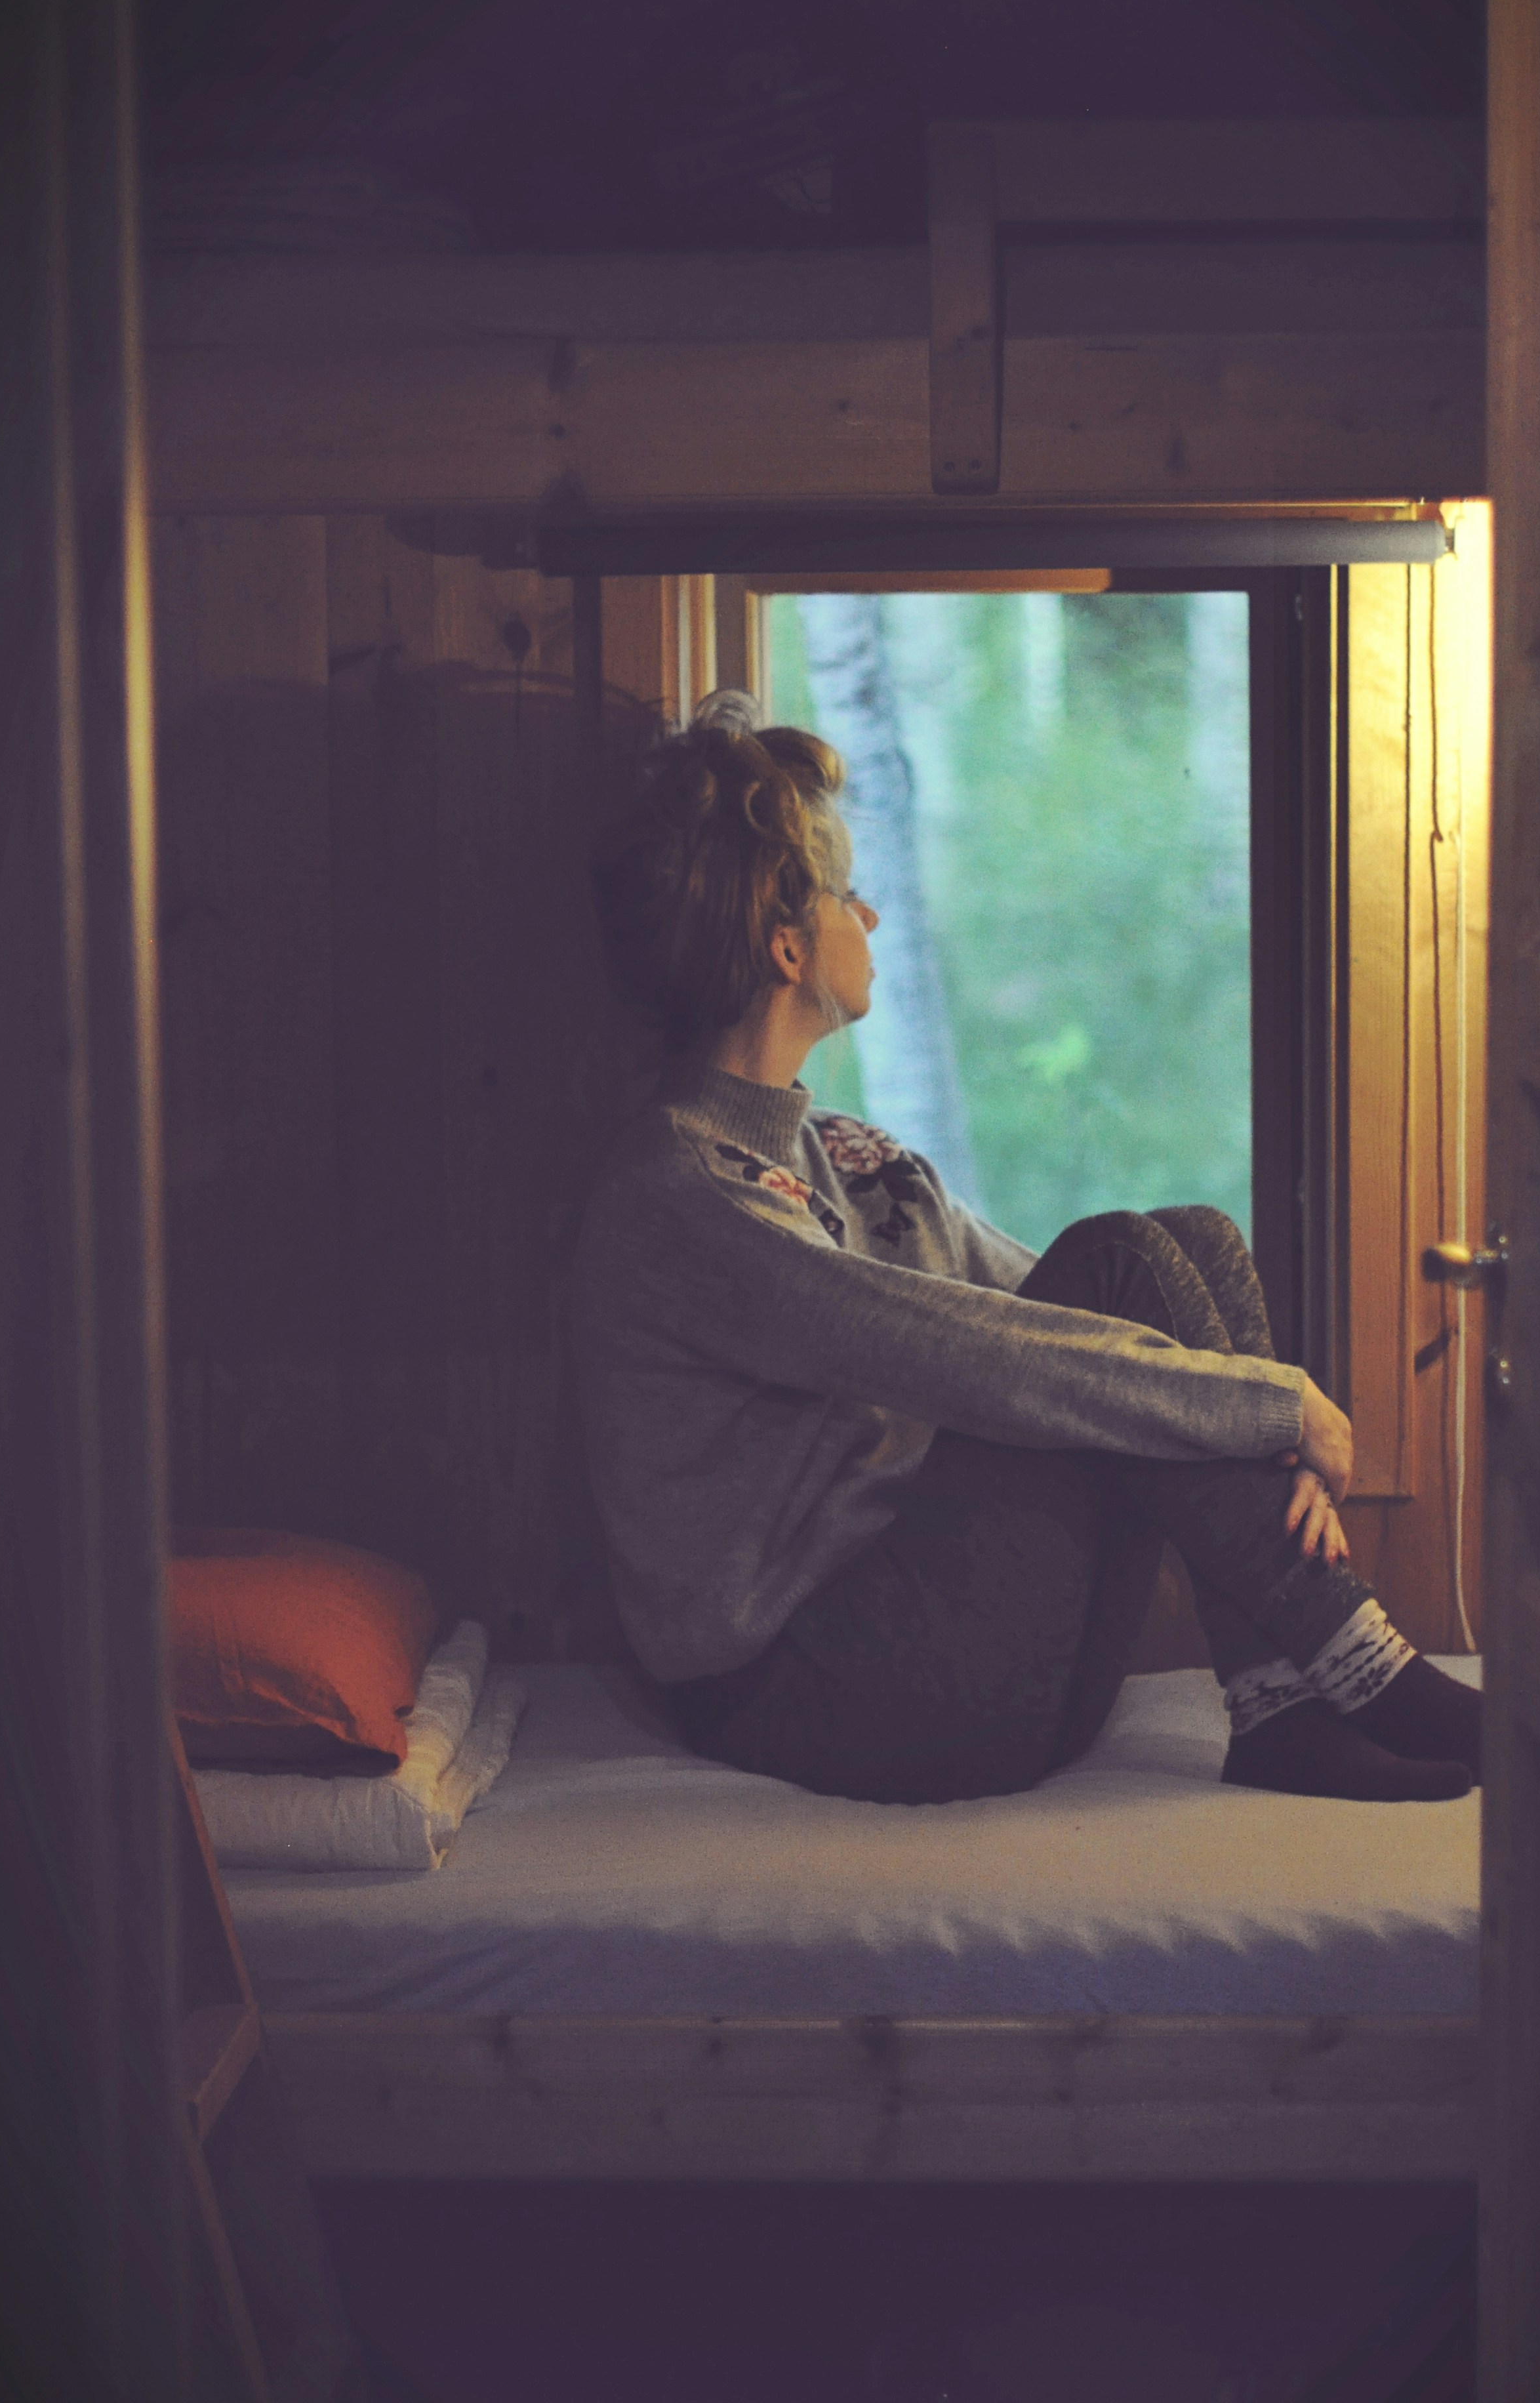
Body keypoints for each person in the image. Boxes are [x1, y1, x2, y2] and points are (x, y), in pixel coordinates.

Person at [574, 695, 1482, 1808]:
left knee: (1185, 1243)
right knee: (1119, 1264)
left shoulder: (838, 1150)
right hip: (820, 1692)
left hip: (973, 1661)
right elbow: (970, 1355)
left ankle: (1284, 1705)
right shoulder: (680, 1192)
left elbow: (1049, 1316)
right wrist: (1269, 1404)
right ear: (783, 939)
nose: (873, 913)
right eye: (846, 894)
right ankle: (1369, 1670)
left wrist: (1245, 1405)